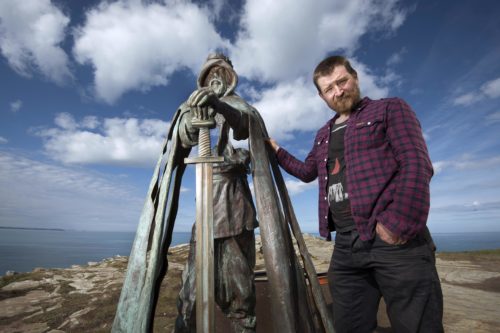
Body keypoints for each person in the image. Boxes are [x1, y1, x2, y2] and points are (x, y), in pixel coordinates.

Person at [267, 55, 444, 333]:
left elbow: (416, 163)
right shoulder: (323, 134)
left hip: (395, 243)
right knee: (349, 325)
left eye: (342, 81)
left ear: (355, 78)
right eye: (329, 89)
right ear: (322, 96)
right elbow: (306, 172)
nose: (338, 91)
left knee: (417, 326)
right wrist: (277, 152)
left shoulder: (389, 109)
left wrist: (396, 224)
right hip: (346, 245)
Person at [174, 53, 258, 333]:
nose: (216, 79)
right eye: (211, 73)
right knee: (190, 294)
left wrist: (219, 104)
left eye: (221, 72)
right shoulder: (191, 105)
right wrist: (195, 115)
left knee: (240, 293)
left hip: (234, 206)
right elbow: (184, 135)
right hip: (206, 208)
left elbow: (246, 126)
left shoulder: (237, 105)